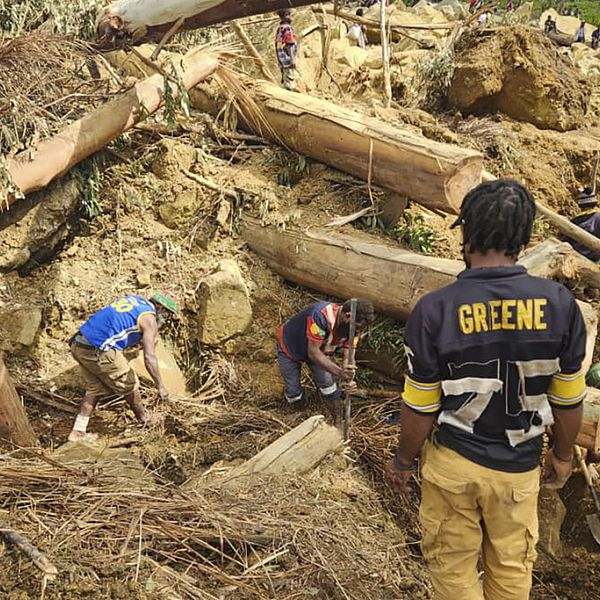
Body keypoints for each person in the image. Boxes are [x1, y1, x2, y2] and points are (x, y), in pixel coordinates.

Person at [385, 179, 586, 600]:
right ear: (524, 237)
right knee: (512, 570)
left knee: (452, 569)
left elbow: (420, 406)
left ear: (465, 232)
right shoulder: (560, 306)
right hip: (518, 468)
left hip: (454, 463)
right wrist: (563, 455)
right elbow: (567, 400)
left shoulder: (435, 310)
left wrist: (404, 459)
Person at [68, 291, 177, 442]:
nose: (166, 319)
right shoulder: (150, 319)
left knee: (95, 388)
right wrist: (160, 386)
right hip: (96, 350)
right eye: (168, 315)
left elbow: (117, 325)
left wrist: (136, 341)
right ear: (162, 309)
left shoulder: (135, 300)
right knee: (130, 383)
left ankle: (78, 431)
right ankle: (144, 419)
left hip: (78, 343)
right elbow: (149, 357)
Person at [277, 299, 375, 407]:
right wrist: (339, 372)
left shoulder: (353, 329)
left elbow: (349, 356)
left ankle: (336, 417)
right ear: (348, 316)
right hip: (291, 346)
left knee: (328, 384)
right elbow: (313, 353)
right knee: (293, 391)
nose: (358, 332)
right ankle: (298, 411)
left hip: (319, 351)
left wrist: (349, 375)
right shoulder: (320, 316)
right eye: (358, 327)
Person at [562, 187, 600, 261]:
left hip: (576, 257)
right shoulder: (598, 217)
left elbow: (564, 240)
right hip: (594, 258)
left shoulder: (574, 221)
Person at [275, 9, 298, 91]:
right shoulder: (287, 28)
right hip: (288, 60)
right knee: (290, 83)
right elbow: (289, 45)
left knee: (286, 81)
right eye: (290, 15)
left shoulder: (280, 28)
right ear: (286, 16)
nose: (292, 18)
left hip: (282, 61)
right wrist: (292, 60)